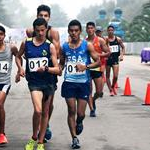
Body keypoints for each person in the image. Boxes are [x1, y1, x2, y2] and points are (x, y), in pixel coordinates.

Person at [16, 18, 60, 150]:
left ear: (46, 29)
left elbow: (58, 70)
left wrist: (46, 68)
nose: (40, 33)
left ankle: (40, 142)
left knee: (45, 112)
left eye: (43, 30)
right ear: (34, 30)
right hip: (34, 83)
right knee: (38, 110)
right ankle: (34, 137)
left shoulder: (50, 46)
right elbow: (18, 56)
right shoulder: (26, 43)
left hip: (48, 83)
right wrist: (20, 68)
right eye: (38, 30)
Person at [59, 19, 100, 149]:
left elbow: (98, 62)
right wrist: (58, 69)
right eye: (71, 31)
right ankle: (74, 138)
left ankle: (79, 122)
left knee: (81, 114)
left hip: (83, 83)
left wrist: (86, 66)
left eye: (76, 31)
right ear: (68, 32)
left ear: (80, 32)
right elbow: (61, 62)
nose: (74, 33)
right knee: (71, 110)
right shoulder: (64, 46)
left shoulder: (87, 45)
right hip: (69, 82)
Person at [26, 4, 60, 141]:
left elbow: (57, 53)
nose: (43, 18)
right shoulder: (30, 32)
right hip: (35, 77)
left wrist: (49, 63)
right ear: (37, 16)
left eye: (46, 16)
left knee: (48, 106)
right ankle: (40, 130)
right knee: (38, 108)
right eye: (41, 15)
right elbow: (27, 51)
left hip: (50, 72)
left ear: (49, 18)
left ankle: (46, 125)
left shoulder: (53, 33)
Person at [86, 22, 110, 117]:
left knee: (99, 92)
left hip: (97, 68)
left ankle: (93, 100)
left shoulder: (100, 40)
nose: (90, 30)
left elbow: (108, 52)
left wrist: (98, 55)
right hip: (87, 68)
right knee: (89, 90)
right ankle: (92, 109)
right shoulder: (84, 42)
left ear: (94, 29)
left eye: (92, 28)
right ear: (86, 30)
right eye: (88, 28)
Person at [0, 25, 19, 144]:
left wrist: (20, 70)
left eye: (1, 34)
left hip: (4, 82)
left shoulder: (11, 48)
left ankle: (1, 134)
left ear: (4, 35)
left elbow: (18, 56)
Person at [105, 25, 125, 96]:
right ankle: (110, 90)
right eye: (109, 30)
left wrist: (122, 55)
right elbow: (101, 48)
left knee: (115, 76)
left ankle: (113, 87)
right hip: (107, 60)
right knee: (107, 76)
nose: (110, 31)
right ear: (107, 31)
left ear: (114, 31)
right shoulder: (105, 39)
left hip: (115, 59)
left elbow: (123, 47)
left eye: (112, 30)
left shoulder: (118, 39)